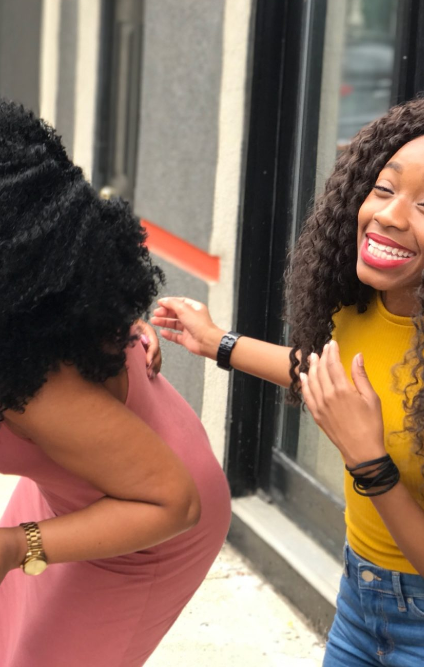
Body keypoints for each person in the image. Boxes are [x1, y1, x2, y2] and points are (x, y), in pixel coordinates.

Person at [0, 98, 232, 667]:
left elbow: (173, 504)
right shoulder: (37, 299)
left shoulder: (34, 380)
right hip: (79, 485)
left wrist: (16, 546)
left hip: (151, 519)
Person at [152, 98, 424, 666]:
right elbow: (320, 374)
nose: (391, 216)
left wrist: (368, 461)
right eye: (383, 188)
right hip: (358, 597)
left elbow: (360, 429)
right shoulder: (359, 304)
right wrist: (217, 343)